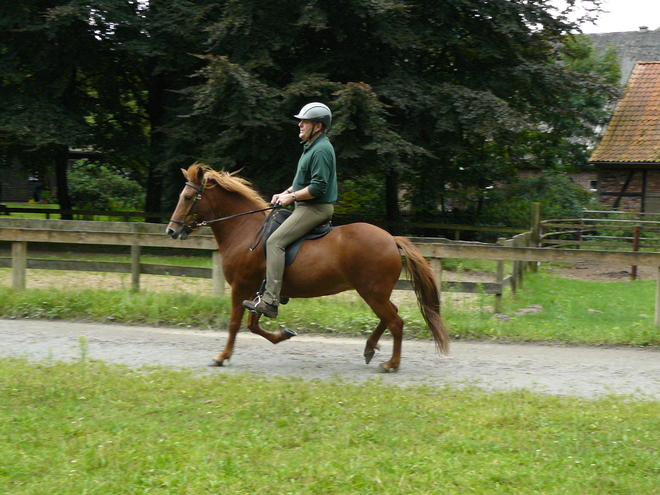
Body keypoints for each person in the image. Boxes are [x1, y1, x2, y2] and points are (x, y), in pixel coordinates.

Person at [243, 102, 338, 318]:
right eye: (301, 121)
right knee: (271, 226)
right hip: (304, 205)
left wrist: (290, 197)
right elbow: (302, 181)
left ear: (318, 126)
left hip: (315, 208)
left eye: (305, 121)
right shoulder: (311, 147)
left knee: (275, 242)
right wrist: (284, 192)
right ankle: (283, 285)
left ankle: (270, 300)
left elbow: (318, 187)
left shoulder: (322, 149)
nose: (300, 125)